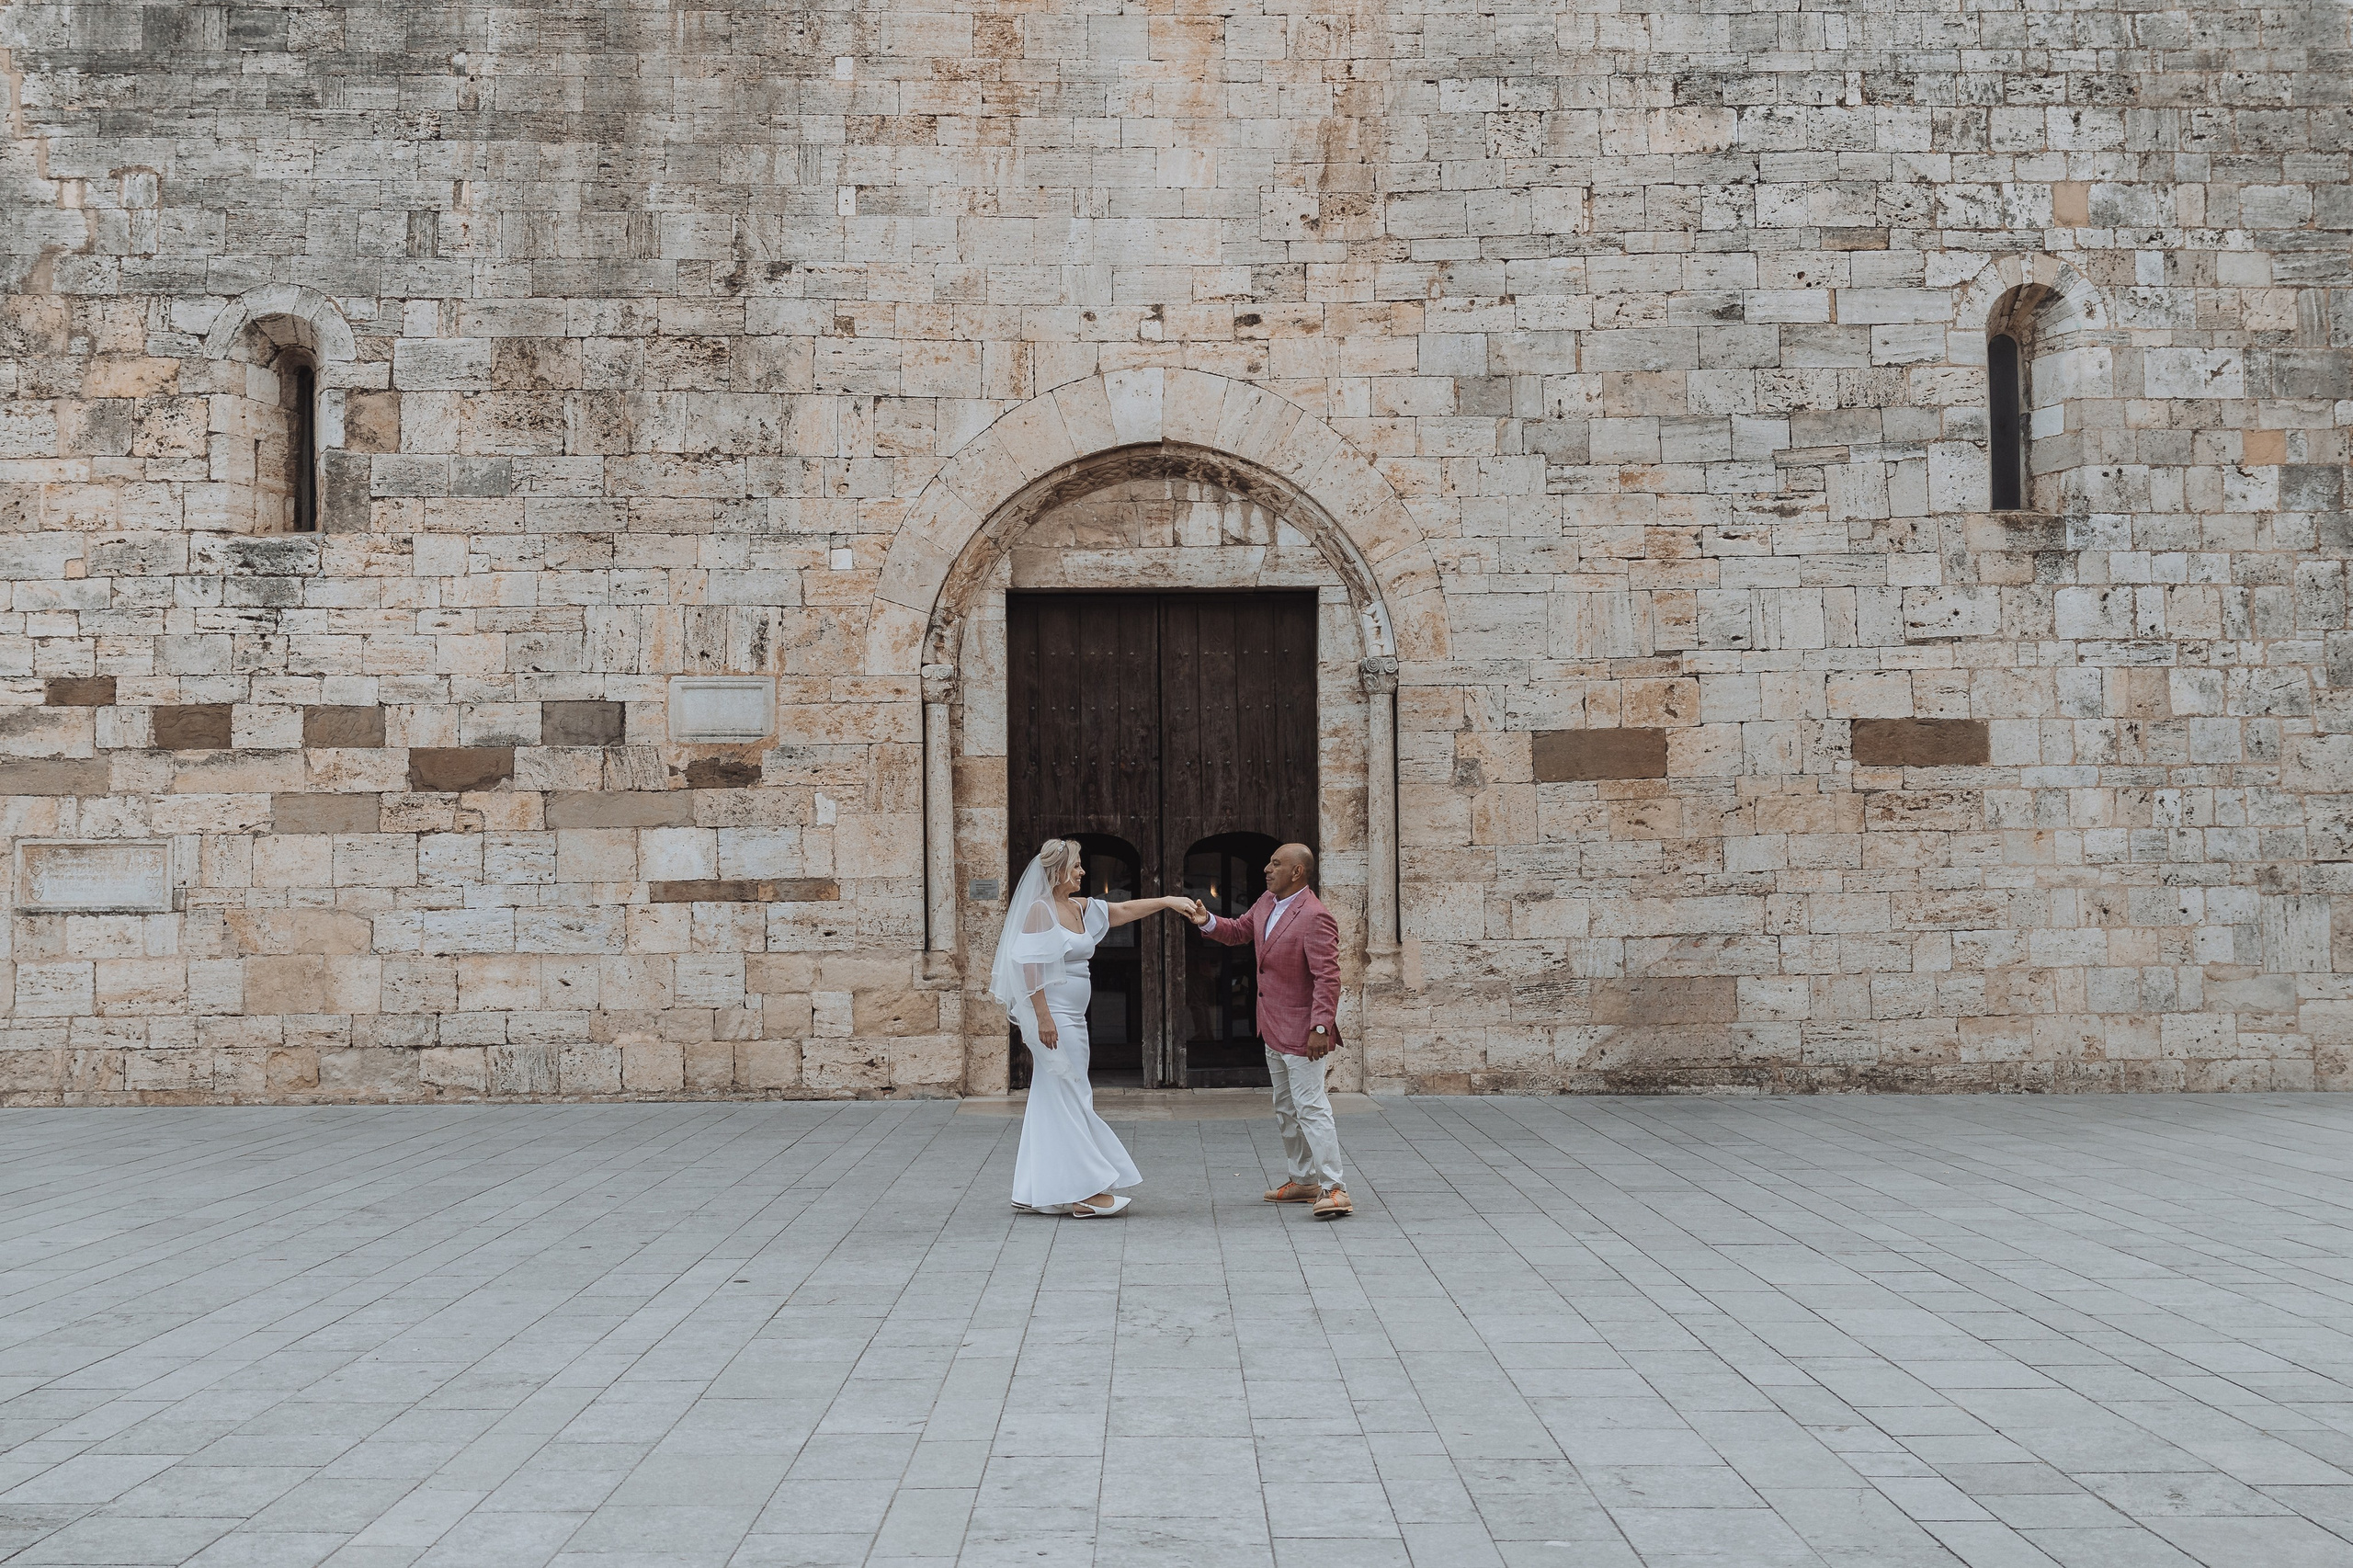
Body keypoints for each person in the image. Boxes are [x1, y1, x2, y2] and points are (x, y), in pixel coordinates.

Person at [991, 837, 1201, 1217]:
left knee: (1053, 1096)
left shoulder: (1078, 907)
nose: (1082, 871)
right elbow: (1029, 967)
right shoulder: (1040, 910)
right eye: (1076, 866)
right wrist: (1043, 1017)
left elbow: (1123, 909)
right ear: (1058, 871)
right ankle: (1083, 1191)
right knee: (1071, 1095)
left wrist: (1168, 901)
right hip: (1056, 1018)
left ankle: (1034, 1188)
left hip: (1073, 1017)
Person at [1187, 843, 1351, 1219]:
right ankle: (1303, 1181)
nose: (1267, 869)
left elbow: (1328, 978)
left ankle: (1335, 1188)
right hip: (1272, 1025)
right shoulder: (1267, 902)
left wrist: (1321, 1027)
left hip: (1304, 1031)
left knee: (1311, 1107)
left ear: (1297, 872)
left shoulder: (1315, 916)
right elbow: (1238, 931)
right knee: (1286, 1108)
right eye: (1269, 862)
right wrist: (1206, 920)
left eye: (1276, 864)